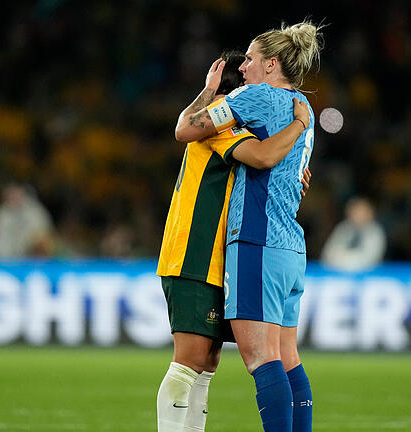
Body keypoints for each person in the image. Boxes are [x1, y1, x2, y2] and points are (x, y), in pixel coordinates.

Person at [174, 21, 323, 432]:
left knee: (261, 359)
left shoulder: (254, 96)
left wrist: (209, 92)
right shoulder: (304, 108)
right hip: (291, 244)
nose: (243, 67)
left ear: (271, 64)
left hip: (257, 241)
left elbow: (185, 129)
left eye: (252, 59)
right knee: (288, 357)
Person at [321, 197, 386, 272]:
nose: (357, 216)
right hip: (339, 275)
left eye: (361, 212)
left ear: (370, 213)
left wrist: (344, 259)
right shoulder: (343, 228)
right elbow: (328, 254)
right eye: (354, 212)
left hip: (369, 277)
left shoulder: (376, 232)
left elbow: (370, 259)